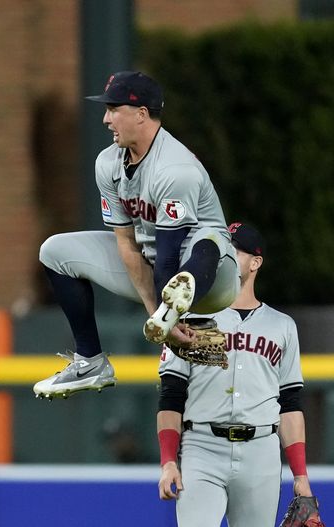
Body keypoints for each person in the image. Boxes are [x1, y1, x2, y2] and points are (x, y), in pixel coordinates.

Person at [34, 71, 239, 399]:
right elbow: (126, 244)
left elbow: (170, 252)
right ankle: (90, 361)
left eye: (114, 109)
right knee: (54, 251)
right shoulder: (108, 163)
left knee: (207, 239)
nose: (105, 118)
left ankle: (176, 306)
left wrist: (166, 318)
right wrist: (156, 317)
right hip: (153, 266)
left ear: (142, 114)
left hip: (213, 275)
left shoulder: (175, 169)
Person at [157, 223, 316, 526]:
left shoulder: (282, 326)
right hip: (201, 447)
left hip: (261, 451)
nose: (223, 257)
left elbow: (290, 404)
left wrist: (301, 476)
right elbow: (171, 395)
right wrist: (168, 462)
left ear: (255, 262)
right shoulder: (189, 319)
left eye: (234, 250)